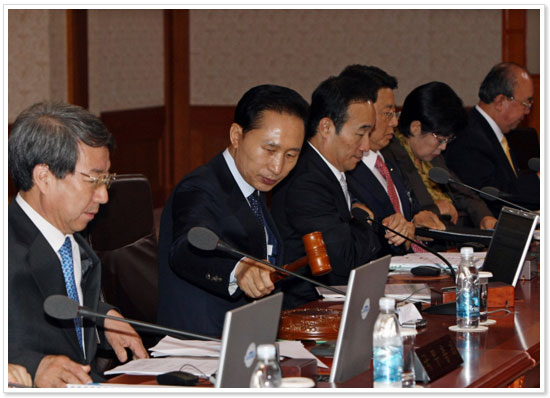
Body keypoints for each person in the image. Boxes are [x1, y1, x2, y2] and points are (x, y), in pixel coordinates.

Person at [8, 102, 148, 388]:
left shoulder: (72, 241)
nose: (104, 196)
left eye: (106, 180)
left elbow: (60, 296)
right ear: (44, 177)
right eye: (94, 180)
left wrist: (103, 315)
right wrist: (33, 367)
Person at [157, 84, 309, 337]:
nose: (277, 166)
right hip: (202, 347)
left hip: (247, 337)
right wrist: (239, 269)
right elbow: (186, 248)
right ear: (237, 136)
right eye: (269, 150)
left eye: (291, 155)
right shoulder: (200, 187)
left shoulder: (252, 186)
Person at [271, 75, 381, 308]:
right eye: (360, 134)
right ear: (326, 127)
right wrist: (366, 222)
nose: (366, 146)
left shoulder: (333, 171)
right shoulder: (307, 181)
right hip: (308, 310)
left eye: (369, 134)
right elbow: (343, 262)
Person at [341, 65, 445, 255]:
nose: (395, 122)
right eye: (387, 113)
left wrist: (421, 219)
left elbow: (412, 211)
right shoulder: (346, 169)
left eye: (395, 113)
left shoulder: (390, 156)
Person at [384, 82, 497, 230]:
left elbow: (463, 194)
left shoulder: (432, 157)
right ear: (416, 128)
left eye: (448, 140)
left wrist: (484, 217)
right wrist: (435, 209)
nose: (443, 147)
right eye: (440, 139)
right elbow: (399, 214)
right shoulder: (389, 157)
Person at [445, 62, 540, 216]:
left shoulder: (496, 132)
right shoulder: (469, 137)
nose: (528, 111)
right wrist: (540, 180)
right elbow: (494, 195)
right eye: (525, 103)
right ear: (500, 101)